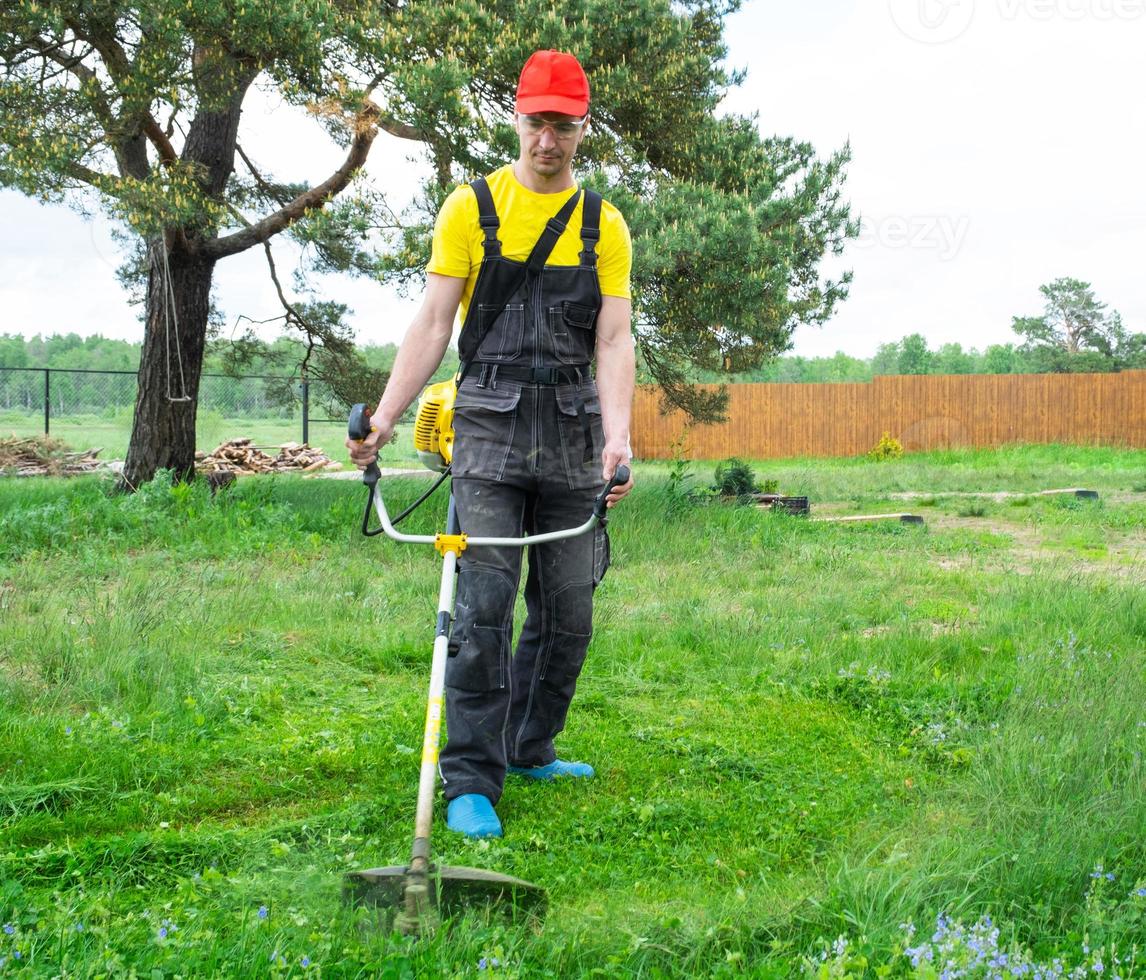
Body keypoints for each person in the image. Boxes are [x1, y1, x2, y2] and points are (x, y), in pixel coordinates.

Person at [347, 49, 635, 839]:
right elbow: (435, 324)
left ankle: (530, 745)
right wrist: (382, 417)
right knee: (482, 607)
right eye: (537, 122)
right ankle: (472, 776)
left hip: (575, 435)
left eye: (564, 125)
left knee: (569, 612)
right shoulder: (469, 208)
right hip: (489, 433)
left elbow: (614, 341)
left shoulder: (603, 224)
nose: (549, 139)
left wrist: (620, 436)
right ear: (518, 118)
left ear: (582, 128)